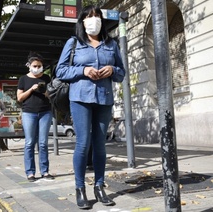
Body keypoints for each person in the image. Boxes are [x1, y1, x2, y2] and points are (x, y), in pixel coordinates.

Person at [55, 5, 125, 209]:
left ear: (102, 21)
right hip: (80, 99)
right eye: (89, 17)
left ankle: (100, 186)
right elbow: (61, 71)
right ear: (82, 21)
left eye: (97, 17)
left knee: (100, 145)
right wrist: (83, 70)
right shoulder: (74, 43)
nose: (93, 20)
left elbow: (121, 73)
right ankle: (80, 188)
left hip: (104, 99)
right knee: (83, 144)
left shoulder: (111, 44)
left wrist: (112, 69)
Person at [17, 52, 54, 182]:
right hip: (29, 113)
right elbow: (19, 97)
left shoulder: (47, 78)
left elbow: (52, 95)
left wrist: (45, 91)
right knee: (29, 143)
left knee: (43, 143)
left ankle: (45, 171)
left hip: (45, 112)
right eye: (35, 65)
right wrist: (31, 89)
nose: (37, 68)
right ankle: (30, 173)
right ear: (29, 66)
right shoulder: (23, 79)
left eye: (39, 65)